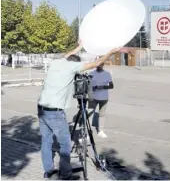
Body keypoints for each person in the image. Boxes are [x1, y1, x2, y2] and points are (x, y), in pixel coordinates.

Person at [37, 41, 122, 180]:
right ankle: (65, 175)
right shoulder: (72, 67)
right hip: (55, 112)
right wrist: (112, 52)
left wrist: (78, 47)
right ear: (74, 63)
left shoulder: (56, 63)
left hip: (41, 109)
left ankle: (48, 171)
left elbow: (67, 55)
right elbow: (96, 63)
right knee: (65, 144)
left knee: (46, 141)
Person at [89, 62, 113, 138]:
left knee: (102, 114)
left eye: (101, 64)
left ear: (103, 65)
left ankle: (100, 130)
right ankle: (87, 132)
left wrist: (102, 87)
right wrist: (93, 88)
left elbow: (111, 86)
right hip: (93, 97)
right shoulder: (91, 73)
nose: (99, 66)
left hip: (104, 98)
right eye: (98, 64)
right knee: (89, 114)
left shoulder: (107, 74)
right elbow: (88, 85)